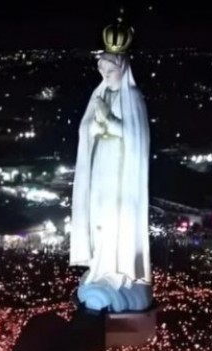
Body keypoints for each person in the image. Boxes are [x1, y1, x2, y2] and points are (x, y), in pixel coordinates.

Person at [69, 41, 152, 311]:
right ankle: (101, 266)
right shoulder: (100, 95)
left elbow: (135, 137)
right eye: (102, 69)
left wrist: (109, 121)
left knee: (117, 218)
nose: (105, 74)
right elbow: (88, 130)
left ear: (122, 69)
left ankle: (118, 268)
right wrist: (96, 124)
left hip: (120, 169)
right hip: (101, 165)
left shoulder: (133, 97)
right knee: (100, 217)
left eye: (110, 69)